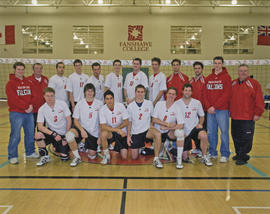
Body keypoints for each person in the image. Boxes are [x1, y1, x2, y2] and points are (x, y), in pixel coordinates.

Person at [230, 64, 264, 165]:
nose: (243, 72)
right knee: (235, 136)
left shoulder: (254, 83)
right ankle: (239, 153)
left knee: (246, 138)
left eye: (245, 71)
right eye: (241, 71)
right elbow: (229, 99)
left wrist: (258, 113)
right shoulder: (233, 83)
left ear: (248, 72)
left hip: (247, 117)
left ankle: (243, 155)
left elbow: (259, 100)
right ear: (238, 72)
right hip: (235, 116)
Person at [6, 62, 39, 164]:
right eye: (18, 69)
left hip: (29, 113)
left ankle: (30, 152)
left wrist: (31, 106)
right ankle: (12, 155)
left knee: (30, 133)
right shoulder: (10, 84)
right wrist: (25, 107)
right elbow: (13, 99)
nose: (20, 71)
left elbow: (34, 95)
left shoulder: (28, 82)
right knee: (15, 135)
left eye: (22, 69)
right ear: (14, 70)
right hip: (16, 113)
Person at [65, 83, 103, 166]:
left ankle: (85, 146)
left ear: (94, 92)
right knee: (69, 135)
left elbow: (102, 122)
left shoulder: (99, 104)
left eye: (91, 91)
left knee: (92, 156)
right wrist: (82, 130)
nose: (89, 93)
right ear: (85, 92)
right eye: (88, 91)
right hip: (81, 129)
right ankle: (77, 157)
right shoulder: (80, 103)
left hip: (94, 132)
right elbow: (75, 120)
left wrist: (100, 136)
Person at [176, 84, 213, 166]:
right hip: (183, 130)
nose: (187, 92)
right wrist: (179, 130)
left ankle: (204, 156)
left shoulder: (197, 102)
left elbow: (202, 116)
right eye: (186, 90)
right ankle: (180, 153)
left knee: (204, 135)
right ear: (182, 91)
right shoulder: (177, 103)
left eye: (189, 91)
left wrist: (200, 124)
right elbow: (174, 118)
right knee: (184, 158)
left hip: (194, 128)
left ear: (192, 92)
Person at [127, 84, 162, 168]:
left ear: (144, 93)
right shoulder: (130, 106)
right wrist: (128, 135)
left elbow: (152, 118)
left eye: (142, 92)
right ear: (135, 93)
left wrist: (152, 126)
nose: (140, 94)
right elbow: (129, 122)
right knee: (134, 157)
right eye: (138, 92)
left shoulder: (149, 103)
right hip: (135, 133)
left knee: (158, 134)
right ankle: (144, 149)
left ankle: (156, 159)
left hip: (147, 131)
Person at [35, 87, 72, 166]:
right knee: (38, 134)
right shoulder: (42, 109)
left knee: (65, 158)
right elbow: (40, 126)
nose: (50, 98)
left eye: (51, 96)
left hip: (63, 133)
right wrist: (53, 134)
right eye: (47, 96)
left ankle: (61, 147)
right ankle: (45, 156)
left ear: (54, 96)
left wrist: (66, 135)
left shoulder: (62, 104)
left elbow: (69, 120)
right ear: (44, 96)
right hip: (53, 133)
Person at [204, 56, 232, 163]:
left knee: (224, 132)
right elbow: (205, 94)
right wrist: (209, 107)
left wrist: (214, 106)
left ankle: (224, 153)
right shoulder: (208, 78)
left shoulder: (227, 77)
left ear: (222, 64)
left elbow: (227, 94)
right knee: (211, 132)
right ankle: (213, 152)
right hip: (210, 111)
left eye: (219, 63)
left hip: (222, 110)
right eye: (215, 63)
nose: (217, 65)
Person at [152, 87, 185, 169]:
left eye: (173, 94)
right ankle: (164, 147)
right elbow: (154, 119)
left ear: (176, 96)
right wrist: (167, 124)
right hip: (158, 132)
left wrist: (168, 128)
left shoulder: (177, 107)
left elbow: (181, 125)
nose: (171, 96)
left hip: (169, 132)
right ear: (166, 94)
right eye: (169, 93)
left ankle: (179, 159)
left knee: (180, 133)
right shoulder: (159, 104)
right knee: (159, 154)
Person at [99, 90, 129, 164]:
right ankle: (106, 156)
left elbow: (126, 121)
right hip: (111, 132)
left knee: (124, 156)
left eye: (111, 98)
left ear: (114, 99)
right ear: (105, 100)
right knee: (103, 134)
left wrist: (118, 130)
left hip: (121, 132)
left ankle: (116, 148)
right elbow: (102, 126)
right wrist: (116, 130)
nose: (109, 101)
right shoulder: (102, 109)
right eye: (107, 99)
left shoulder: (120, 106)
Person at [189, 61, 207, 156]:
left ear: (202, 69)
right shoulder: (191, 81)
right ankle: (197, 148)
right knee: (194, 129)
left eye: (199, 68)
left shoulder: (206, 81)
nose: (197, 70)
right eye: (195, 68)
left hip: (203, 110)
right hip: (193, 111)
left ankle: (204, 150)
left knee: (203, 130)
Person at [26, 63, 48, 129]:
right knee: (30, 131)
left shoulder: (45, 79)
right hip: (32, 111)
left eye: (40, 68)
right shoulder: (27, 80)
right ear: (33, 70)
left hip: (43, 110)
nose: (39, 70)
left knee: (41, 131)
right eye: (36, 68)